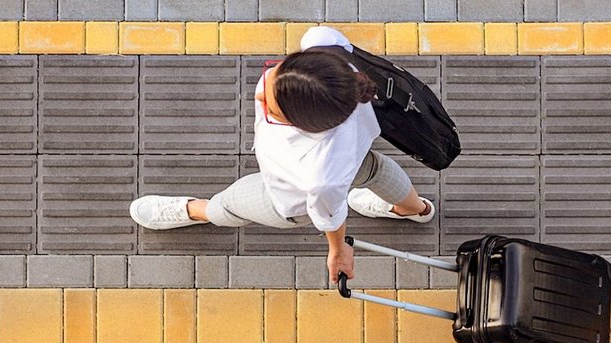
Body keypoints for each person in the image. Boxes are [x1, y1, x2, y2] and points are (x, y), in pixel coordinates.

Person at [129, 26, 435, 283]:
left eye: (272, 107)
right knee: (376, 170)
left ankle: (194, 210)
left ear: (306, 124)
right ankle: (416, 210)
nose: (261, 93)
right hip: (355, 158)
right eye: (277, 74)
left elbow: (328, 214)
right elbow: (323, 35)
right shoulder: (328, 56)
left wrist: (338, 250)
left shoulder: (320, 177)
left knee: (232, 205)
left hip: (289, 198)